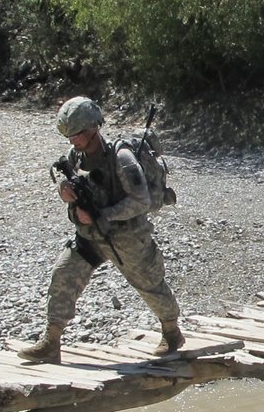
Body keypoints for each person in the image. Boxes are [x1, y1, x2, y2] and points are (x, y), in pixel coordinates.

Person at [18, 96, 184, 364]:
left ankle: (172, 332)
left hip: (127, 236)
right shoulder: (77, 156)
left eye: (78, 134)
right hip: (91, 237)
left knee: (149, 286)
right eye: (69, 135)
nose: (73, 140)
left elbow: (140, 201)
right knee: (64, 275)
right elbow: (71, 181)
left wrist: (103, 215)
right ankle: (51, 340)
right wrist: (66, 191)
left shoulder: (122, 158)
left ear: (94, 128)